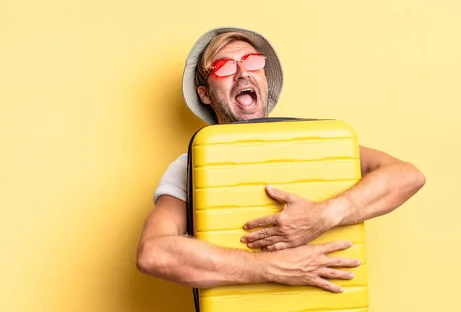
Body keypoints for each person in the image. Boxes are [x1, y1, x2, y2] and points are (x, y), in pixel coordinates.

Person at [136, 27, 426, 294]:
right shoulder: (190, 165)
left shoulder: (314, 144)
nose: (242, 73)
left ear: (263, 78)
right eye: (224, 66)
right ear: (205, 94)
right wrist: (274, 267)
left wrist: (323, 216)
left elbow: (406, 176)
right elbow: (154, 252)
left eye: (252, 62)